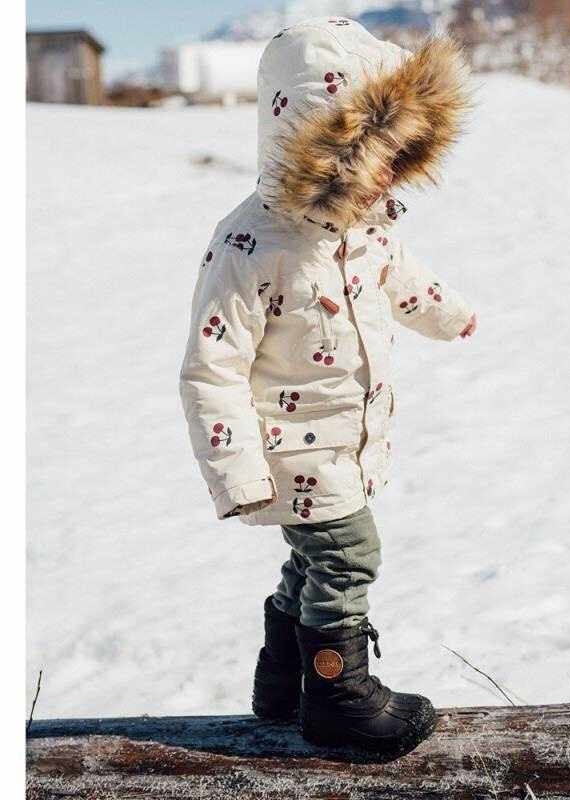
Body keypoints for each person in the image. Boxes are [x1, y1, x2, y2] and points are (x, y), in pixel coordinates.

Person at [179, 17, 476, 758]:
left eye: (397, 156)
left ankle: (283, 682)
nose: (387, 175)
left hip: (350, 439)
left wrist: (450, 315)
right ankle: (339, 701)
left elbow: (400, 276)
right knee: (348, 556)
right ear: (318, 150)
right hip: (288, 450)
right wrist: (237, 475)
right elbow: (211, 368)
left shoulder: (363, 225)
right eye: (371, 156)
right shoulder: (252, 246)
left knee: (312, 562)